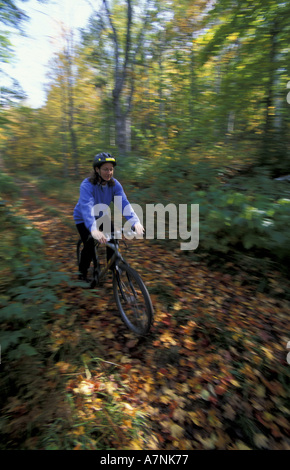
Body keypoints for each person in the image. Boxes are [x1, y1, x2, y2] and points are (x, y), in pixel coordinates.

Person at [73, 152, 144, 285]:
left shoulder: (114, 185)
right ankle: (82, 274)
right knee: (89, 245)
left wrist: (135, 222)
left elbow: (124, 204)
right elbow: (87, 208)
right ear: (97, 170)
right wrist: (93, 229)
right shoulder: (87, 185)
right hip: (83, 218)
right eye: (105, 169)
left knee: (113, 235)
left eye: (111, 169)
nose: (109, 172)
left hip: (100, 215)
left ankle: (113, 267)